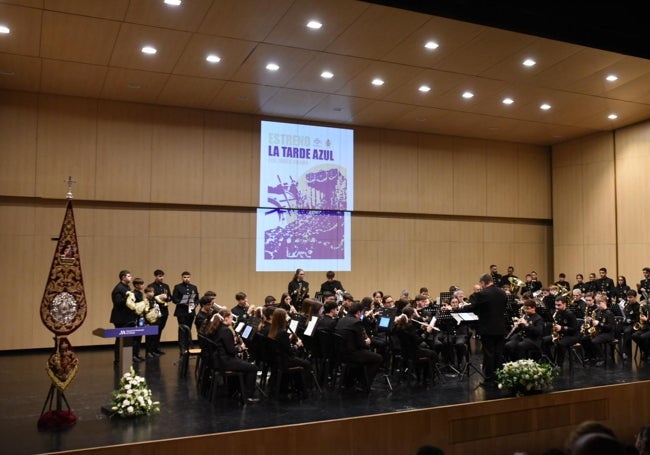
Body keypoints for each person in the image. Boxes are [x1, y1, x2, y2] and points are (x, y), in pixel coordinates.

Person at [458, 273, 507, 385]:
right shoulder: (502, 292)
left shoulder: (483, 294)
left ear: (483, 283)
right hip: (500, 327)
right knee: (498, 353)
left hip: (488, 328)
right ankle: (499, 376)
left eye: (482, 284)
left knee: (489, 353)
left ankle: (489, 378)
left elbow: (473, 307)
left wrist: (461, 308)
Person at [205, 309, 259, 404]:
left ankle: (236, 390)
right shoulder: (226, 330)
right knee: (253, 368)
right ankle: (247, 396)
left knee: (244, 365)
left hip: (217, 359)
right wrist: (240, 347)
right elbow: (231, 350)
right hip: (225, 361)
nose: (232, 319)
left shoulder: (217, 327)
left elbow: (223, 344)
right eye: (231, 318)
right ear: (226, 318)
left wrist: (232, 341)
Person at [335, 301, 383, 391]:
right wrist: (367, 342)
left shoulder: (341, 320)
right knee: (378, 358)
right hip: (352, 355)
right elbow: (361, 345)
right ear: (358, 312)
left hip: (340, 354)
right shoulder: (357, 322)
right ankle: (364, 384)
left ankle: (353, 380)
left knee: (367, 355)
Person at [542, 295, 579, 369]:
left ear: (565, 304)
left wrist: (562, 328)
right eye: (556, 305)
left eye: (559, 305)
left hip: (572, 336)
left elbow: (574, 329)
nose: (556, 307)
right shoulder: (557, 313)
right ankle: (551, 362)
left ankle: (559, 364)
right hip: (561, 334)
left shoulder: (570, 314)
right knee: (543, 340)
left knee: (561, 343)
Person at [580, 294, 615, 366]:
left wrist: (599, 324)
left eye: (599, 303)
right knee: (584, 339)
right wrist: (591, 321)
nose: (597, 305)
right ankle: (591, 356)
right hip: (600, 332)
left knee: (594, 341)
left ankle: (602, 358)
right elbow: (596, 323)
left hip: (608, 334)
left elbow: (611, 327)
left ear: (605, 302)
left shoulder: (609, 313)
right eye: (597, 303)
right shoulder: (598, 312)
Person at [110, 270, 136, 366]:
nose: (131, 277)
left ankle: (126, 359)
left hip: (127, 317)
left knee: (128, 339)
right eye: (129, 276)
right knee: (120, 339)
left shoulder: (127, 287)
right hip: (120, 317)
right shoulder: (118, 288)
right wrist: (126, 297)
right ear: (123, 277)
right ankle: (118, 360)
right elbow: (117, 302)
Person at [148, 269, 171, 356]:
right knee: (154, 330)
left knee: (160, 329)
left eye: (162, 276)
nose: (161, 278)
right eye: (159, 276)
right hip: (155, 311)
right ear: (155, 276)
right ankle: (151, 350)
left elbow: (170, 297)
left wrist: (166, 298)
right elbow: (150, 298)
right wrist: (159, 297)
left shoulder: (166, 286)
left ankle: (156, 348)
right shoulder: (151, 286)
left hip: (164, 311)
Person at [172, 271, 200, 339]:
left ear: (190, 278)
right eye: (185, 277)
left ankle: (188, 345)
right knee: (182, 329)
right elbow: (174, 299)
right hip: (181, 311)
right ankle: (182, 347)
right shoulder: (178, 287)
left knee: (189, 329)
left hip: (191, 311)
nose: (186, 279)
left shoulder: (194, 287)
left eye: (188, 277)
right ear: (182, 278)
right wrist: (183, 302)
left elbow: (197, 299)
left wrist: (195, 304)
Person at [621, 290, 640, 360]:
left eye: (630, 297)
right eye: (628, 297)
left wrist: (629, 321)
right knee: (615, 328)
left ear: (635, 297)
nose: (628, 299)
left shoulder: (638, 306)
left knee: (627, 331)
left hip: (633, 325)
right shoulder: (627, 305)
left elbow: (637, 320)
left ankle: (624, 352)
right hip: (625, 324)